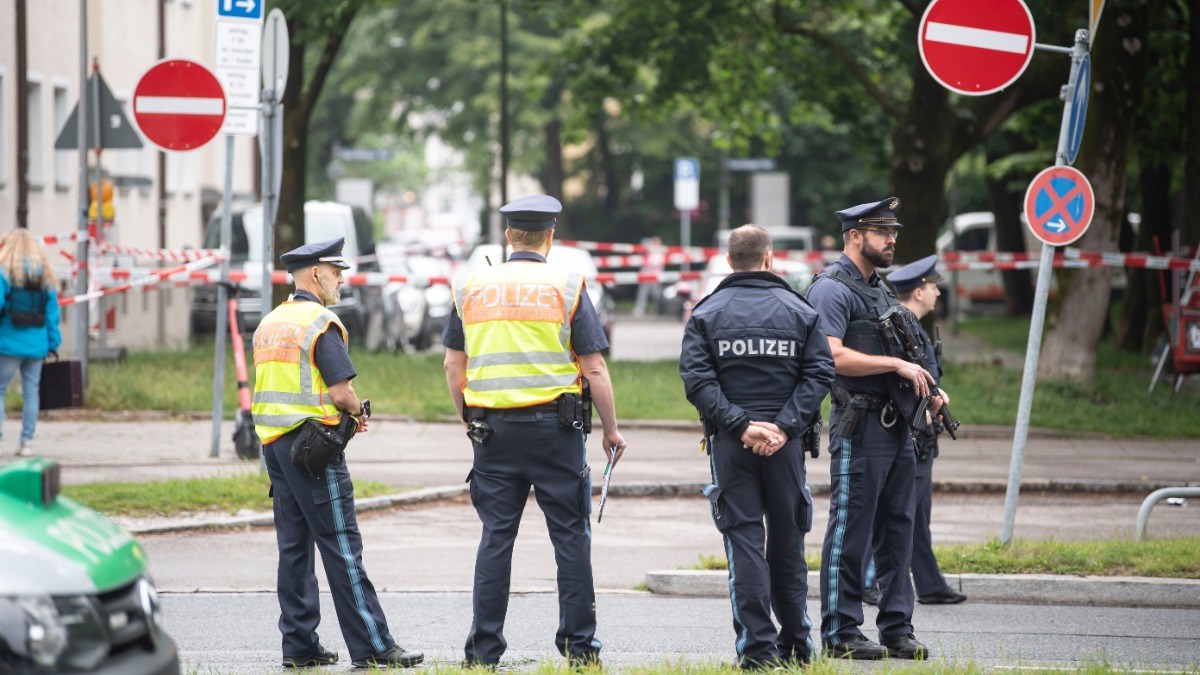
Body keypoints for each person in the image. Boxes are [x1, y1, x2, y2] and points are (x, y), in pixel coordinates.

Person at [442, 195, 627, 668]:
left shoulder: (470, 285)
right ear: (550, 236)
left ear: (508, 237)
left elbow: (452, 363)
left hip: (492, 433)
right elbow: (595, 367)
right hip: (554, 431)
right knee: (570, 537)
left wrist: (470, 418)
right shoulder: (565, 284)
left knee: (495, 538)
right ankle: (581, 651)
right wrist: (610, 429)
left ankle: (483, 653)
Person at [252, 238, 423, 670]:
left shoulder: (271, 322)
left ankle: (300, 647)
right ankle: (374, 648)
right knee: (341, 545)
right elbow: (341, 391)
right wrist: (355, 411)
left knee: (294, 548)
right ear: (315, 275)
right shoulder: (319, 323)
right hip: (313, 451)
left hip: (274, 447)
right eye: (335, 272)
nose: (342, 279)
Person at [679, 224, 835, 668]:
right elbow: (820, 373)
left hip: (732, 445)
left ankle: (757, 653)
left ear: (729, 262)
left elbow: (696, 379)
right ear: (770, 259)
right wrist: (784, 427)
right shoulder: (799, 310)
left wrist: (740, 426)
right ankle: (797, 648)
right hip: (785, 447)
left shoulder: (707, 312)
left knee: (744, 542)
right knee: (787, 542)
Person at [807, 197, 942, 660]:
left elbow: (906, 349)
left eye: (893, 231)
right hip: (859, 426)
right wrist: (897, 365)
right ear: (855, 236)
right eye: (882, 232)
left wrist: (928, 388)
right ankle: (841, 632)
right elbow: (830, 354)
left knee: (898, 531)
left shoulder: (879, 289)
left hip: (898, 426)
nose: (892, 239)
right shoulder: (831, 289)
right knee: (851, 531)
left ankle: (896, 629)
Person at [862, 255, 966, 607]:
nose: (938, 293)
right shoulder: (908, 331)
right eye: (933, 287)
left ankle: (930, 585)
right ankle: (867, 579)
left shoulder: (916, 330)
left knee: (915, 514)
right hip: (915, 437)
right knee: (899, 513)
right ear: (919, 292)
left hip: (922, 437)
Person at [0, 229, 61, 458]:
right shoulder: (45, 276)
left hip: (7, 343)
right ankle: (27, 442)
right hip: (36, 345)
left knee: (0, 390)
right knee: (31, 393)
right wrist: (53, 342)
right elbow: (52, 312)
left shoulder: (5, 272)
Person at [633, 235, 666, 318]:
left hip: (655, 276)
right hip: (646, 274)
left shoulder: (661, 251)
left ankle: (660, 308)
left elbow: (660, 265)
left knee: (656, 294)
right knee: (643, 293)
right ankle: (640, 308)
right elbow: (643, 247)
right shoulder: (648, 249)